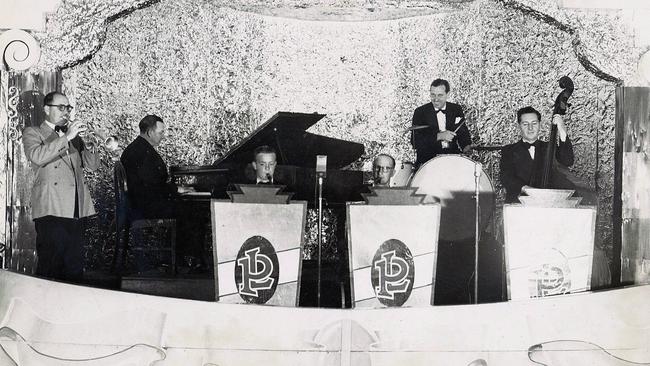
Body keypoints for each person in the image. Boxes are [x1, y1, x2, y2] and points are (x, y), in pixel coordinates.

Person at [22, 91, 99, 282]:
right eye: (61, 107)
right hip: (51, 208)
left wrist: (90, 146)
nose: (66, 112)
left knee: (74, 268)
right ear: (47, 109)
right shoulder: (33, 132)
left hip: (76, 208)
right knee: (50, 267)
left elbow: (92, 166)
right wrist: (66, 138)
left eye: (68, 108)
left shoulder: (71, 136)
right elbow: (37, 156)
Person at [120, 115, 203, 271]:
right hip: (144, 207)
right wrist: (177, 189)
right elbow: (151, 185)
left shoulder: (140, 148)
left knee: (186, 208)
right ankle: (187, 262)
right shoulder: (141, 152)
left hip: (143, 204)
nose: (163, 136)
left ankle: (179, 260)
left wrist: (174, 190)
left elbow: (153, 182)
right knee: (191, 211)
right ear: (150, 132)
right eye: (161, 132)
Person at [500, 106, 574, 203]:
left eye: (534, 123)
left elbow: (568, 161)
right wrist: (528, 189)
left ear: (539, 125)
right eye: (525, 124)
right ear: (519, 126)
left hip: (548, 204)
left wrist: (562, 130)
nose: (530, 128)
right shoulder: (508, 150)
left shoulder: (551, 148)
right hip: (519, 205)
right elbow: (507, 178)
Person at [411, 78, 472, 166]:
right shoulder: (420, 112)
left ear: (447, 94)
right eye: (433, 95)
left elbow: (463, 133)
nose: (436, 99)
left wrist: (466, 146)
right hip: (428, 162)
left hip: (452, 159)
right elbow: (415, 141)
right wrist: (439, 136)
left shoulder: (456, 109)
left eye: (440, 95)